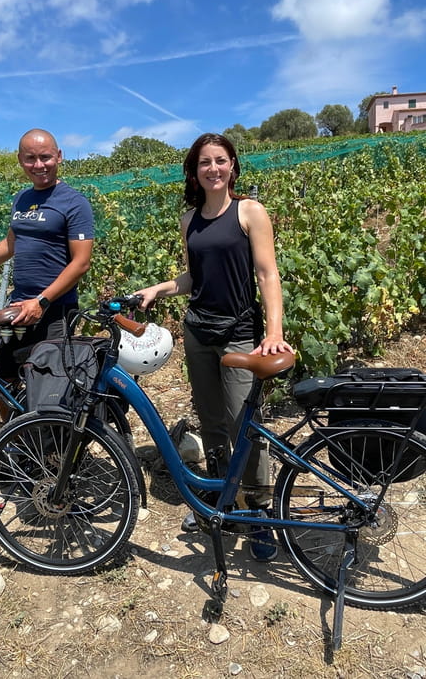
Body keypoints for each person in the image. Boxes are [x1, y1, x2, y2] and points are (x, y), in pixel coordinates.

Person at [136, 133, 293, 561]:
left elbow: (267, 274)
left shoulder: (249, 211)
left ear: (233, 166)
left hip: (240, 332)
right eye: (205, 163)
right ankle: (223, 504)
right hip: (199, 333)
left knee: (246, 422)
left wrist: (273, 330)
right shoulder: (190, 221)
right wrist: (159, 289)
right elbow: (192, 280)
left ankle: (259, 513)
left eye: (220, 161)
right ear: (195, 171)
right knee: (212, 424)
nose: (213, 169)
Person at [0, 128, 94, 415]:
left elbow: (81, 262)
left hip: (54, 310)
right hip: (18, 306)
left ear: (59, 157)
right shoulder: (21, 198)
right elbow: (10, 244)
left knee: (50, 385)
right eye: (30, 158)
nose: (39, 165)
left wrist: (42, 301)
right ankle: (15, 448)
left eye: (45, 157)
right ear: (20, 160)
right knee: (4, 379)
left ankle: (52, 453)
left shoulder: (74, 202)